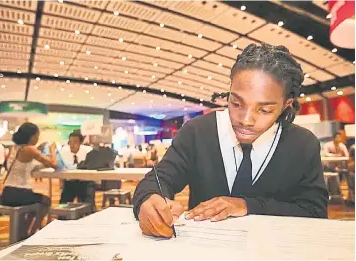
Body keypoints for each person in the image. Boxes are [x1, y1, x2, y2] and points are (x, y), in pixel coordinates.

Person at [132, 44, 328, 238]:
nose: (245, 120)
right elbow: (158, 179)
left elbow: (314, 211)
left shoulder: (303, 144)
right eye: (237, 103)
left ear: (286, 105)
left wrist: (246, 205)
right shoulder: (198, 131)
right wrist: (149, 200)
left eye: (264, 110)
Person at [1, 122, 57, 239]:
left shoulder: (15, 148)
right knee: (46, 201)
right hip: (20, 193)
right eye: (37, 135)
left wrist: (37, 149)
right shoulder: (30, 149)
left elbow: (23, 163)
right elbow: (53, 164)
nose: (38, 138)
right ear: (32, 136)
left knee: (35, 202)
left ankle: (23, 233)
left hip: (7, 192)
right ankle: (31, 233)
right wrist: (52, 150)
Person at [59, 131, 91, 204]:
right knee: (63, 203)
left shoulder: (88, 151)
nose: (72, 145)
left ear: (81, 143)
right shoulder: (64, 151)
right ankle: (62, 214)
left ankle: (88, 212)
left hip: (85, 182)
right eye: (70, 142)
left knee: (88, 204)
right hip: (69, 182)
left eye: (75, 142)